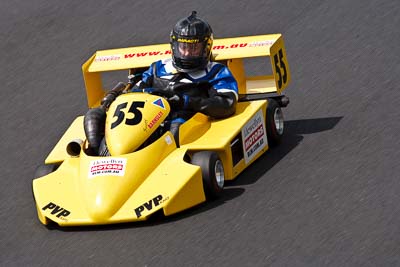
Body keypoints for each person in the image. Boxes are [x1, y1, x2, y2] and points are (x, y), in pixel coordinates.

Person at [130, 11, 238, 143]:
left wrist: (186, 101)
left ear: (206, 47)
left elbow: (227, 104)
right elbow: (134, 92)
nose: (187, 53)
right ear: (174, 46)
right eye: (183, 47)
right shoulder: (157, 68)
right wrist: (116, 96)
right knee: (97, 115)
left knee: (176, 128)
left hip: (188, 122)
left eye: (194, 48)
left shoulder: (216, 72)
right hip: (148, 119)